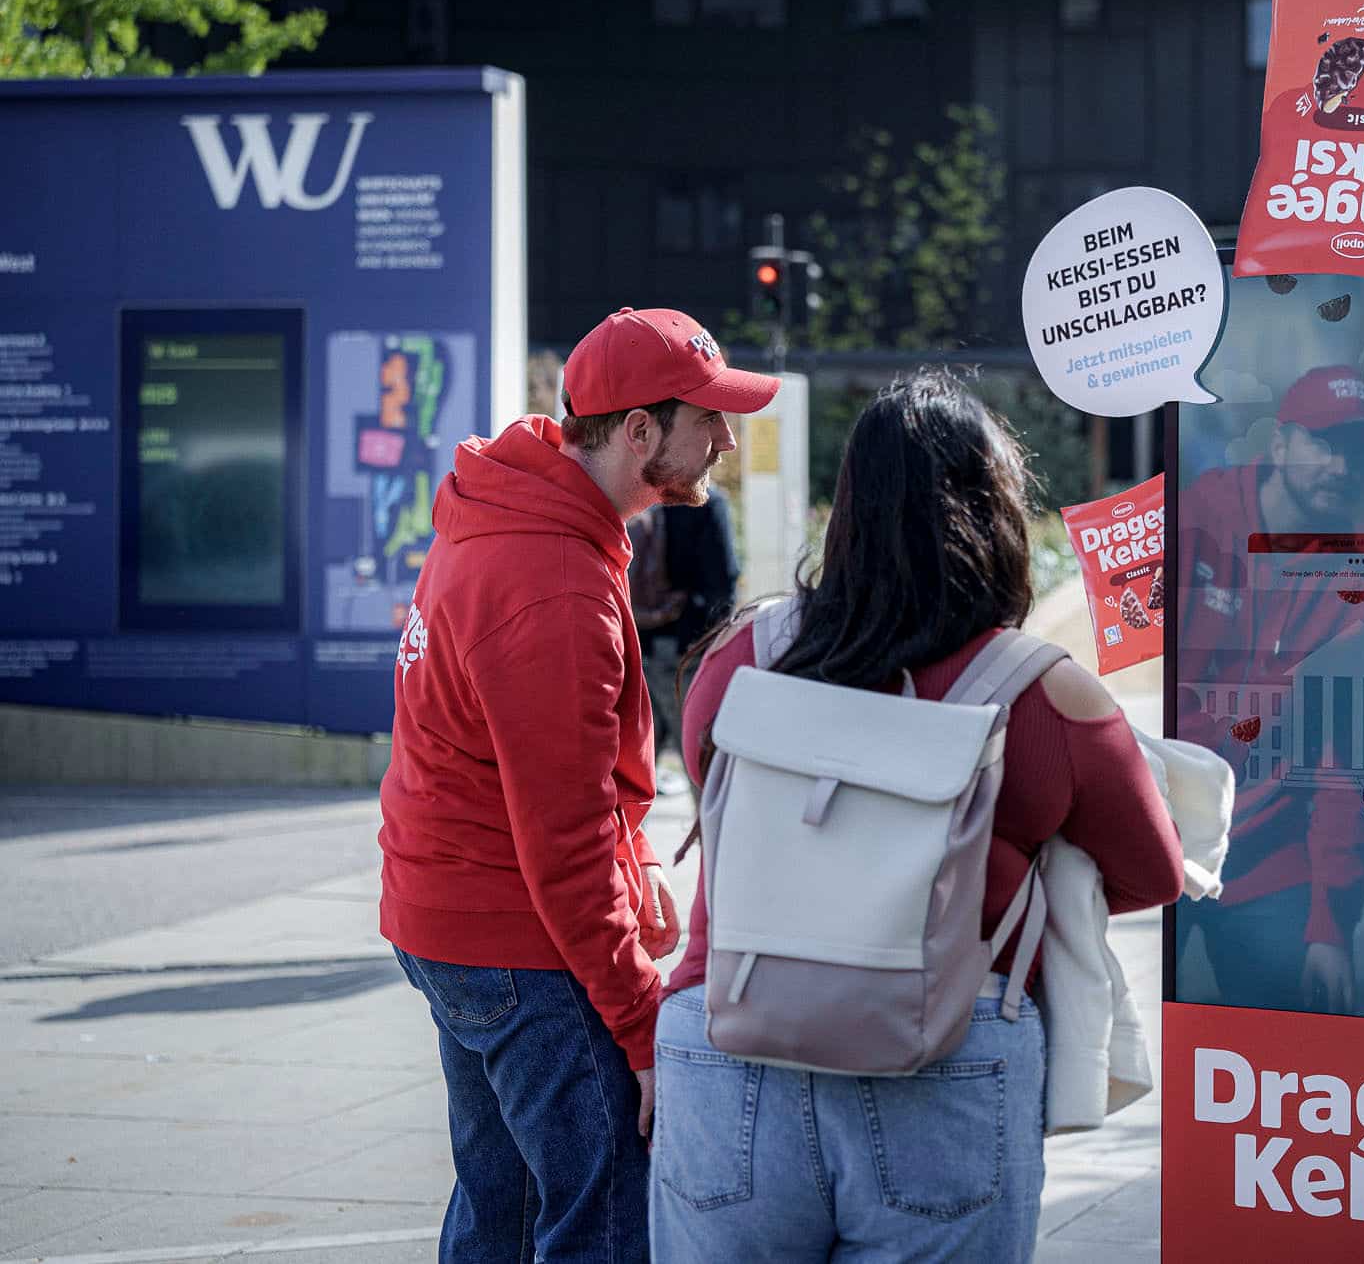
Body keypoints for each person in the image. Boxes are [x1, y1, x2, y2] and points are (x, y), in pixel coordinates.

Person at [650, 370, 1182, 1262]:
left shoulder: (741, 656)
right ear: (997, 510)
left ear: (849, 509)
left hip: (727, 1037)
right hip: (944, 1051)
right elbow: (1152, 870)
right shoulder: (1042, 691)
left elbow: (717, 799)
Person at [378, 307, 777, 1263]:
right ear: (638, 430)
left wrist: (638, 865)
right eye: (707, 419)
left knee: (503, 1212)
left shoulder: (514, 505)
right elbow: (562, 844)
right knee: (600, 1223)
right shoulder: (553, 581)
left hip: (448, 916)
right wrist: (641, 1026)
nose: (726, 440)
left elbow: (558, 782)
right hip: (518, 943)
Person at [1174, 367, 1364, 1014]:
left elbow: (1349, 770)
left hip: (1262, 859)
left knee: (1293, 1038)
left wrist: (1332, 926)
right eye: (1325, 444)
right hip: (1154, 831)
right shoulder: (1194, 519)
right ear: (1279, 445)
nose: (1343, 466)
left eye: (1360, 451)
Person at [628, 486, 739, 795]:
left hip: (635, 644)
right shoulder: (708, 503)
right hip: (687, 651)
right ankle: (709, 827)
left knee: (631, 773)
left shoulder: (640, 493)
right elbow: (723, 580)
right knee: (703, 772)